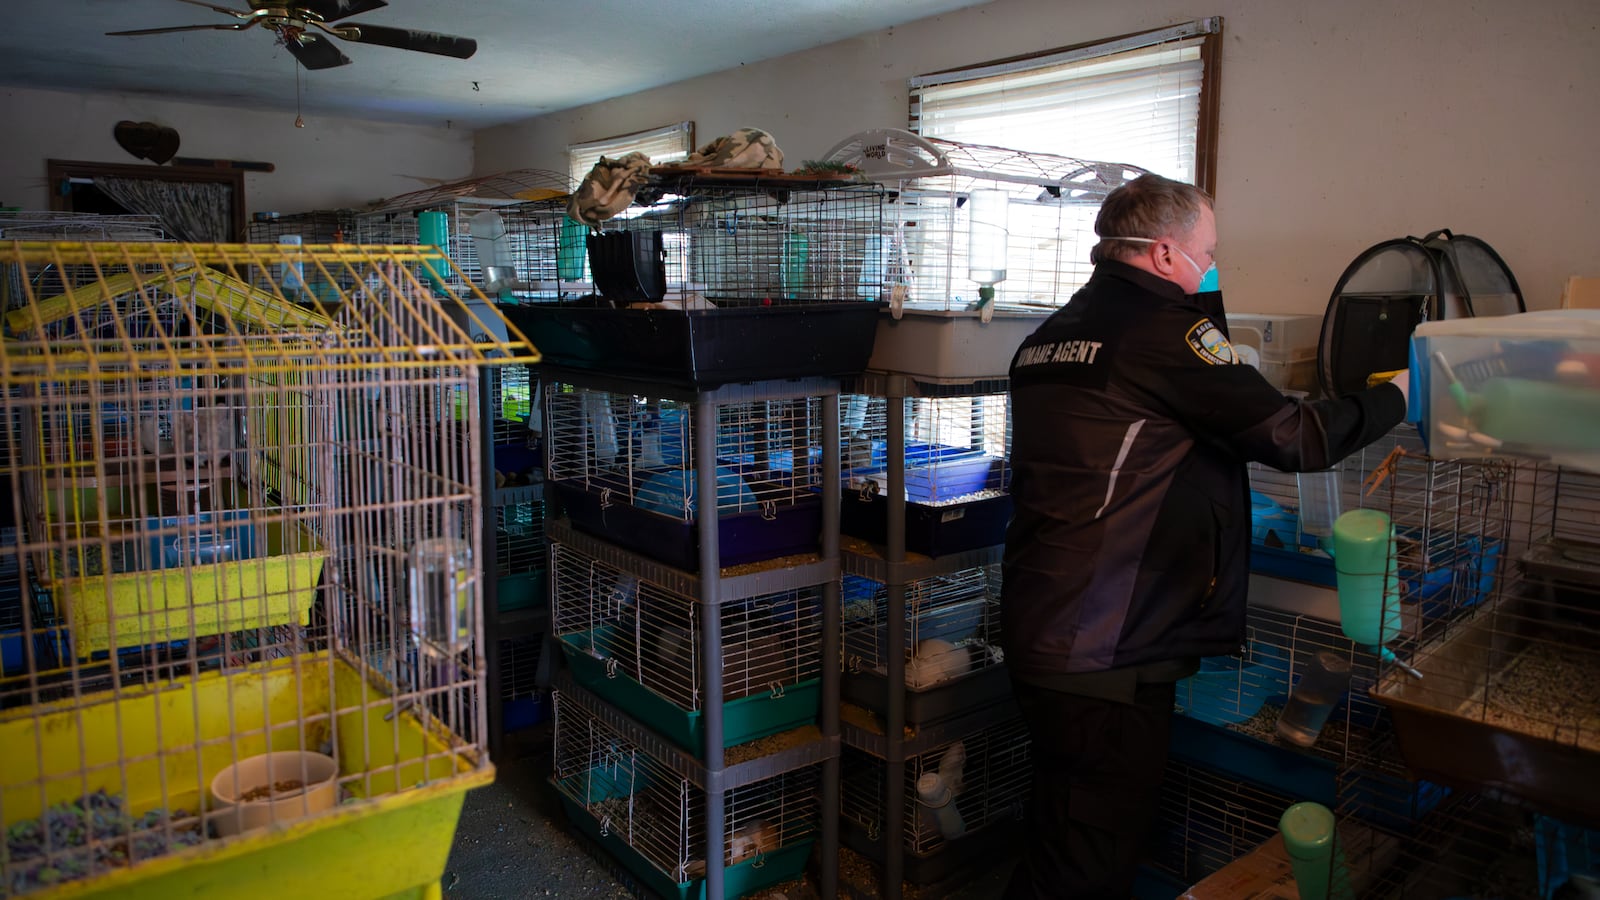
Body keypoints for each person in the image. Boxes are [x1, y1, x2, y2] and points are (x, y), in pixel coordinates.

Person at [1000, 173, 1409, 899]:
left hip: (1047, 623)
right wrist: (1397, 396)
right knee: (1092, 855)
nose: (1210, 266)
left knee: (1060, 828)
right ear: (1163, 254)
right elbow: (1295, 436)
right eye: (1207, 253)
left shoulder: (1054, 334)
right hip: (1108, 646)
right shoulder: (1161, 336)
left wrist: (1204, 302)